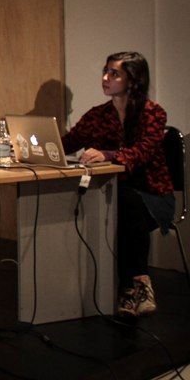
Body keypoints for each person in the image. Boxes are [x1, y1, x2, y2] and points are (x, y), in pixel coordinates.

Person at [62, 51, 173, 318]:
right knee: (121, 202)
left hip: (154, 194)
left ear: (133, 80)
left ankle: (130, 287)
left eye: (114, 73)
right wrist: (31, 146)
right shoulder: (98, 115)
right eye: (105, 71)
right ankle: (137, 286)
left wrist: (107, 154)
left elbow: (142, 152)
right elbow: (67, 143)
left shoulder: (153, 113)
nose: (105, 78)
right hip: (116, 196)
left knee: (125, 204)